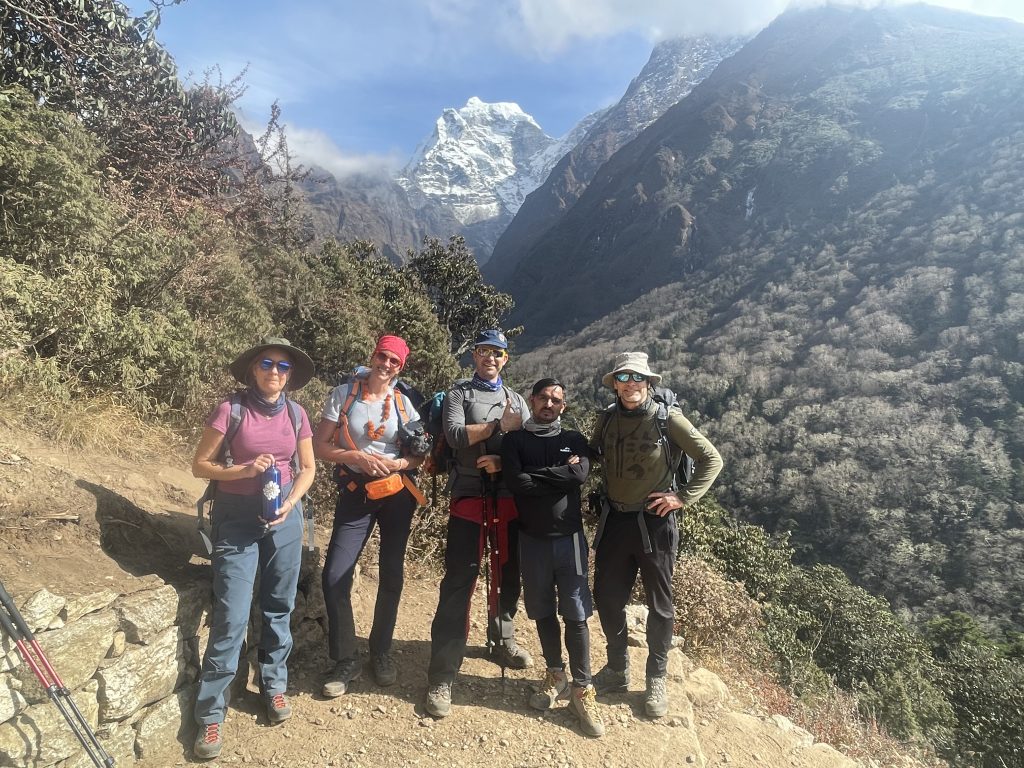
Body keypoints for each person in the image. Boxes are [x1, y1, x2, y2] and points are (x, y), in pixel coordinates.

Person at [191, 337, 316, 760]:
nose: (275, 371)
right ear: (253, 369)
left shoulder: (297, 414)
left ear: (290, 375)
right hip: (236, 515)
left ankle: (274, 686)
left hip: (282, 516)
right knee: (232, 613)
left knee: (279, 604)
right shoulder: (232, 409)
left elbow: (309, 468)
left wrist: (290, 504)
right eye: (267, 363)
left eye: (283, 366)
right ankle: (211, 713)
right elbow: (200, 464)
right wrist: (243, 470)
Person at [590, 352, 723, 718]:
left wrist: (681, 497)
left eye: (638, 378)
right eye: (624, 377)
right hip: (615, 519)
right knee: (606, 596)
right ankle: (617, 669)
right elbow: (593, 454)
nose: (631, 383)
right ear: (615, 383)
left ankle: (656, 677)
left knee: (659, 605)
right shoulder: (607, 419)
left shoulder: (668, 420)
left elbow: (712, 458)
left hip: (655, 523)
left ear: (649, 383)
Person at [423, 329, 532, 718]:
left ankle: (501, 637)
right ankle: (443, 672)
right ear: (475, 355)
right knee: (461, 578)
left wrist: (504, 461)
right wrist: (495, 428)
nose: (491, 357)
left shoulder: (517, 400)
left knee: (507, 572)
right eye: (485, 351)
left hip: (507, 497)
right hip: (469, 494)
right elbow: (454, 436)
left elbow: (529, 446)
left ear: (506, 359)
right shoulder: (460, 394)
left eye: (498, 353)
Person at [313, 335, 426, 697]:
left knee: (391, 575)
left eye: (395, 361)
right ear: (373, 355)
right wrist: (357, 458)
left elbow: (419, 457)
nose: (387, 364)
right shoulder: (344, 395)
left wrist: (399, 463)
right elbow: (321, 446)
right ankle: (345, 658)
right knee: (334, 576)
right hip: (355, 493)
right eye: (383, 356)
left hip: (396, 495)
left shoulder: (405, 405)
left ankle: (380, 652)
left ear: (401, 367)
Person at [501, 378, 604, 737]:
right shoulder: (514, 440)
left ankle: (583, 688)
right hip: (531, 540)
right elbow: (517, 483)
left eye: (556, 400)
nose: (549, 404)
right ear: (531, 401)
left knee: (576, 614)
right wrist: (557, 477)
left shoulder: (574, 440)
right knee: (542, 610)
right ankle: (555, 674)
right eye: (543, 398)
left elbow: (579, 474)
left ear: (563, 406)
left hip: (569, 539)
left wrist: (537, 475)